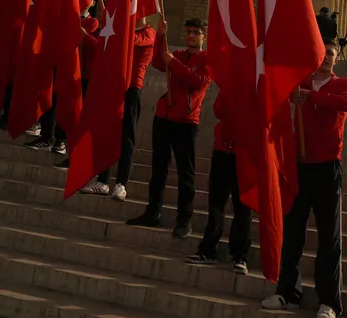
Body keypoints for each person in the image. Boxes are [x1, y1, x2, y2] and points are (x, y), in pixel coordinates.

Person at [262, 42, 347, 318]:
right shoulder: (299, 83)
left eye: (331, 54)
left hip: (328, 168)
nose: (326, 57)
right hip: (299, 165)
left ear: (336, 59)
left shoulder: (344, 84)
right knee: (293, 231)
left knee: (329, 238)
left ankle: (329, 301)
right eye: (322, 52)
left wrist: (310, 96)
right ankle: (287, 292)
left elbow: (345, 103)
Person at [126, 17, 210, 237]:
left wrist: (173, 63)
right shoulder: (179, 54)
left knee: (185, 173)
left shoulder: (207, 59)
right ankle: (153, 211)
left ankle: (184, 219)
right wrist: (161, 36)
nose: (191, 36)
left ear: (204, 36)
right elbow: (157, 62)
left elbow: (199, 82)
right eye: (188, 31)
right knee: (158, 169)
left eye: (196, 32)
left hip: (186, 121)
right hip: (164, 117)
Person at [186, 92, 252, 274]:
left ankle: (240, 254)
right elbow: (218, 110)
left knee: (243, 206)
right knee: (216, 202)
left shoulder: (255, 88)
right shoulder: (228, 87)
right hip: (222, 149)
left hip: (245, 153)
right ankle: (208, 249)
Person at [96, 18, 157, 200]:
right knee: (108, 134)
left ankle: (121, 183)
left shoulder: (149, 32)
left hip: (132, 88)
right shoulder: (125, 29)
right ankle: (102, 181)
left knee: (126, 137)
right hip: (115, 86)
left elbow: (132, 40)